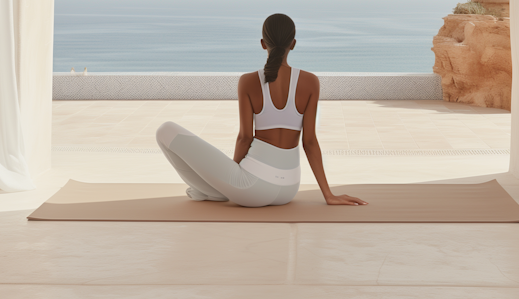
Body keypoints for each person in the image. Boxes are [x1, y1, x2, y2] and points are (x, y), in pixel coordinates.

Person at [156, 13, 368, 208]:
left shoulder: (248, 82)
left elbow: (245, 138)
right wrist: (328, 195)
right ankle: (215, 190)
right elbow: (309, 142)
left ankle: (216, 191)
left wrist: (230, 178)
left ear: (262, 44)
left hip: (252, 189)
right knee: (224, 178)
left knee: (165, 130)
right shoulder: (310, 82)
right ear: (293, 45)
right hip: (289, 189)